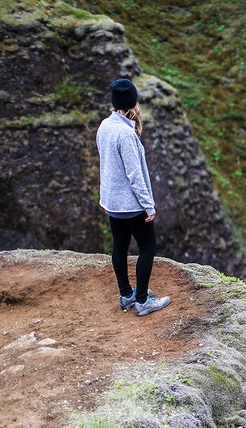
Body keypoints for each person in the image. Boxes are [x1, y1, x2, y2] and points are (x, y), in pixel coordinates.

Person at [97, 78, 170, 317]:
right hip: (131, 204)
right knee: (148, 247)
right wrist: (148, 206)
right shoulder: (126, 135)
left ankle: (126, 294)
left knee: (120, 246)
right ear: (132, 104)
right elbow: (135, 176)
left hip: (112, 203)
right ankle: (142, 301)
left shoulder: (105, 126)